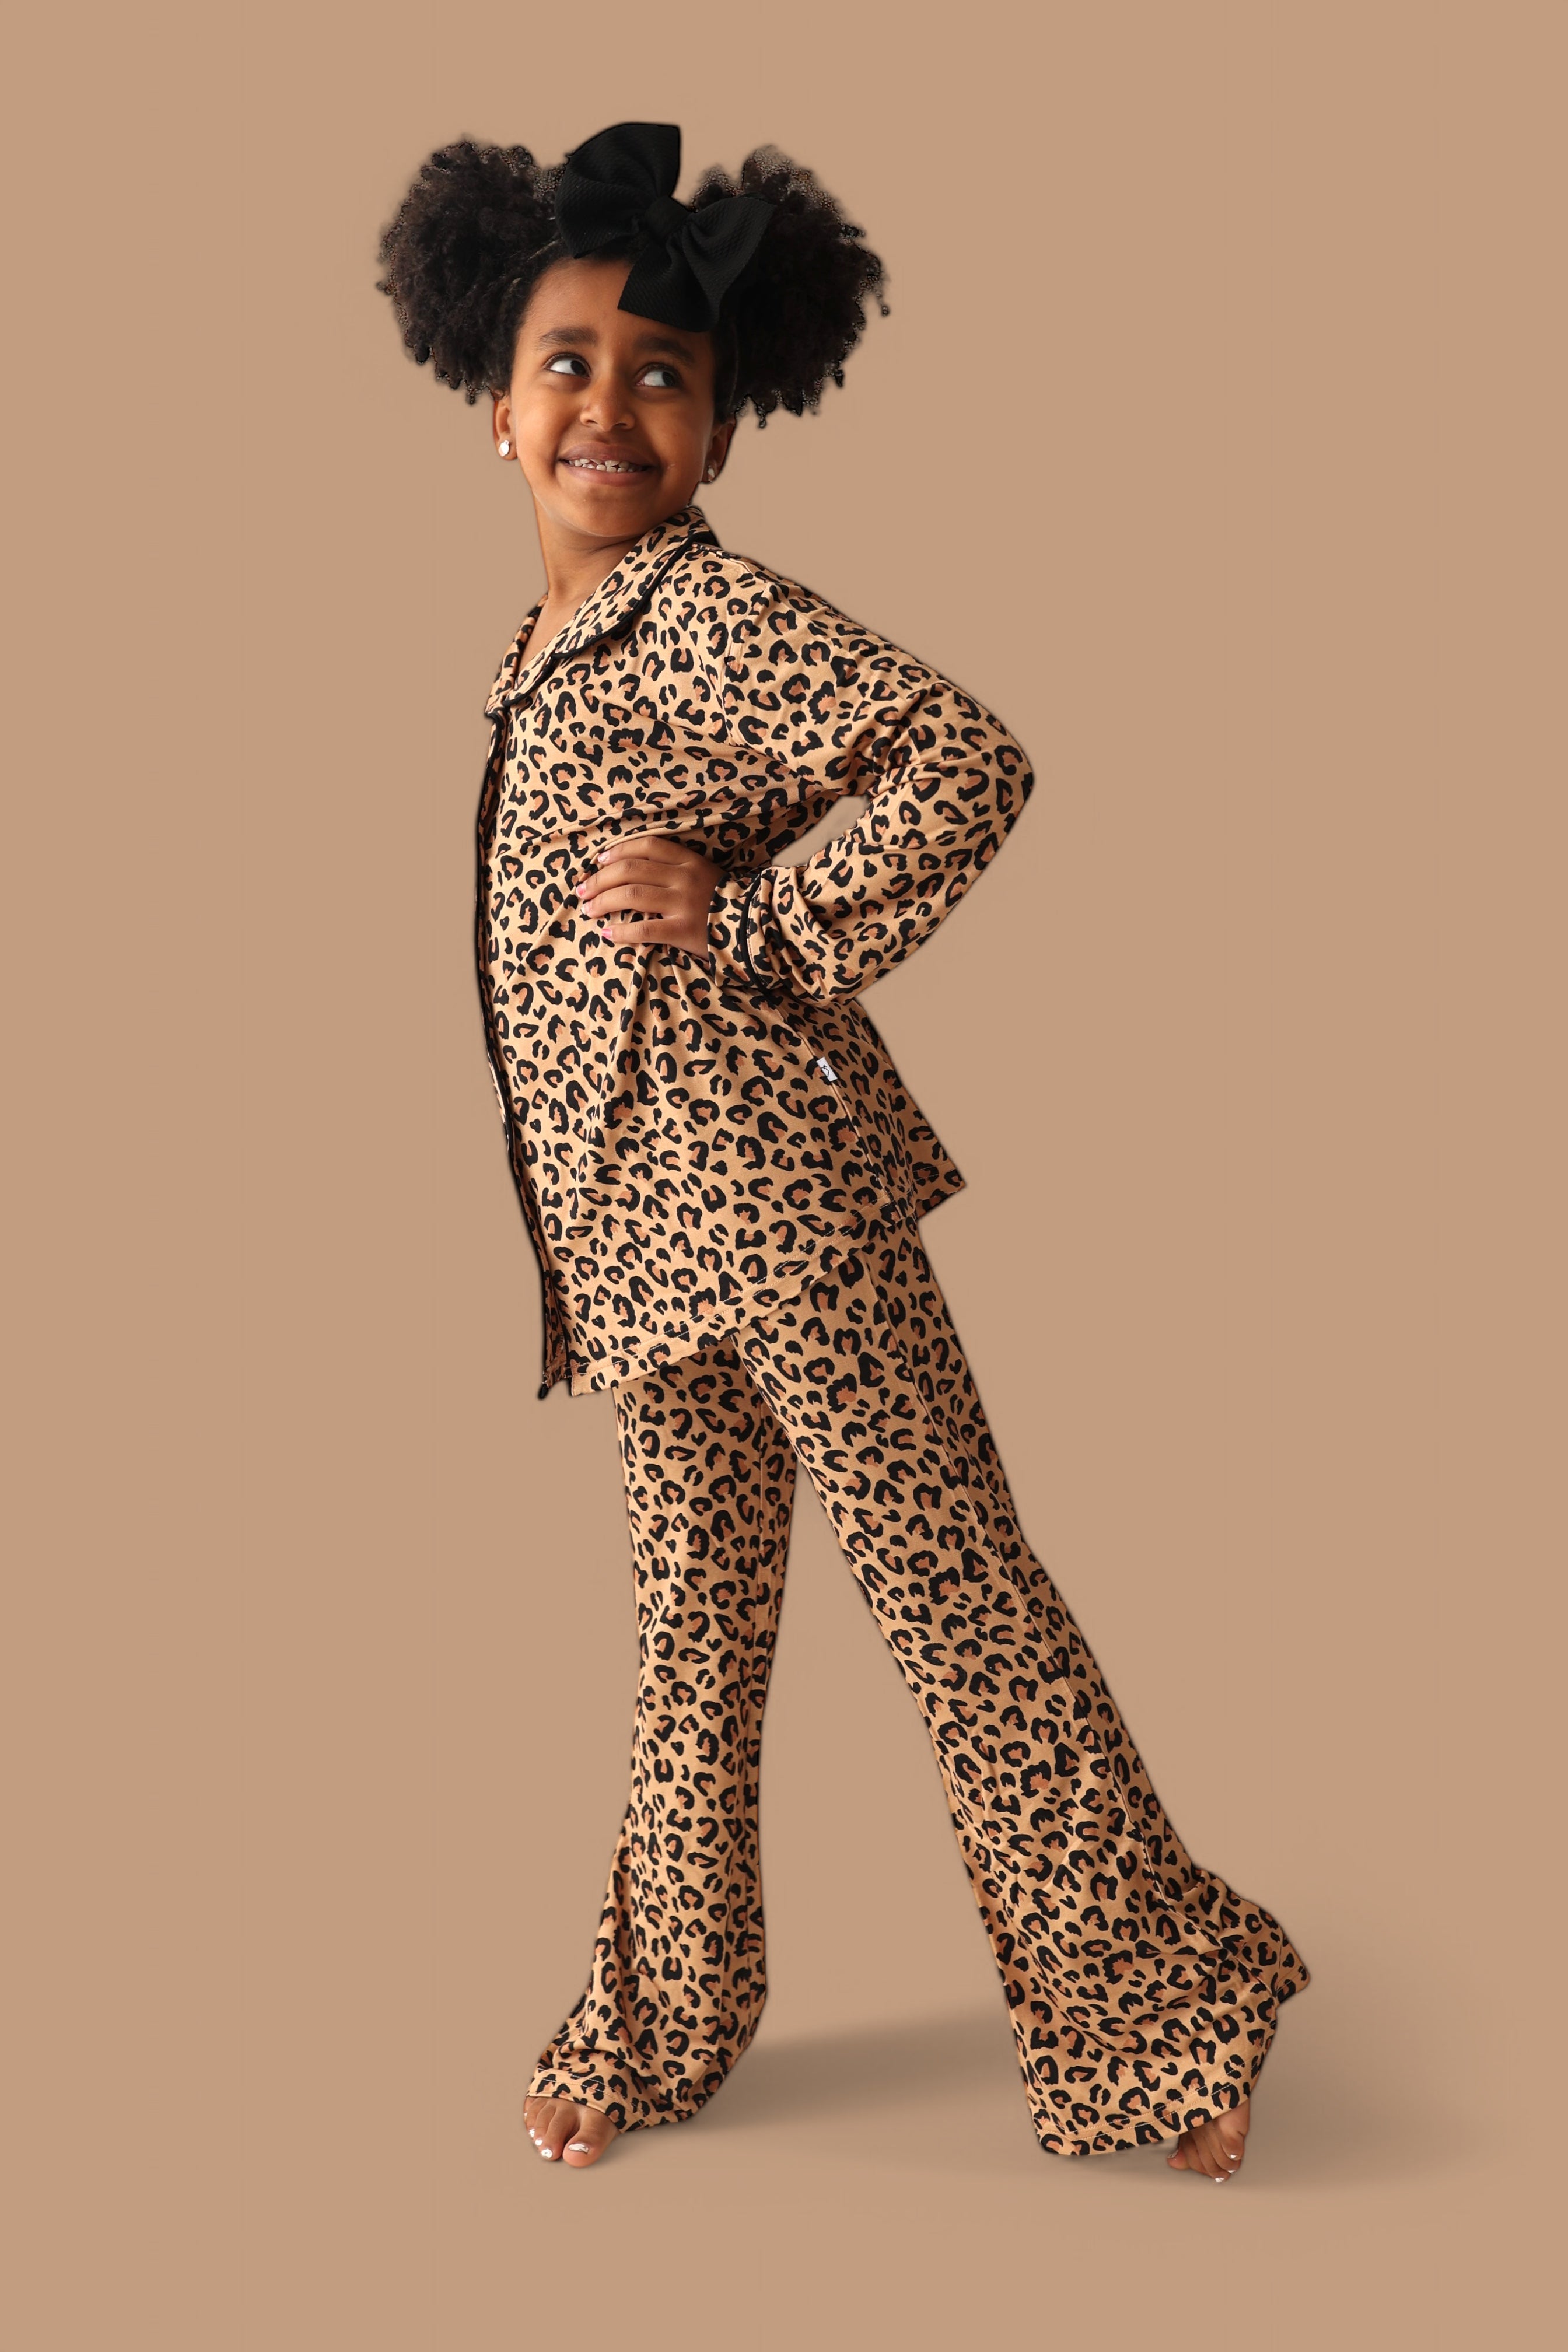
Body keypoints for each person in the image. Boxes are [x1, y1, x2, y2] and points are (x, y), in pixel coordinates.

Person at [376, 120, 1309, 2183]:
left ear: (721, 432)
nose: (609, 406)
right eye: (565, 364)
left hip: (782, 1213)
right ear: (490, 408)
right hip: (645, 1253)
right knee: (688, 1652)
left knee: (955, 1600)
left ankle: (1172, 2019)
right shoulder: (550, 652)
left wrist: (766, 923)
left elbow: (965, 756)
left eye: (663, 376)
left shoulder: (703, 614)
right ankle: (659, 2020)